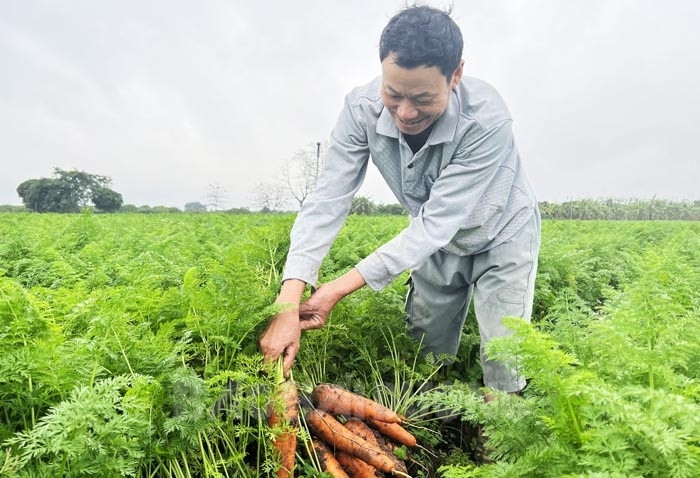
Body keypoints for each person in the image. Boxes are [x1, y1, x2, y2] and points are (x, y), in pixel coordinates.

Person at [259, 5, 540, 396]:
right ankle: (433, 421)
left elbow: (436, 223)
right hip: (434, 242)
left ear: (455, 74)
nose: (405, 113)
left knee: (504, 355)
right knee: (425, 345)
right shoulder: (361, 110)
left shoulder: (486, 120)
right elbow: (327, 200)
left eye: (423, 98)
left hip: (501, 233)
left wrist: (336, 289)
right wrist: (288, 303)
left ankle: (496, 436)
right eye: (393, 94)